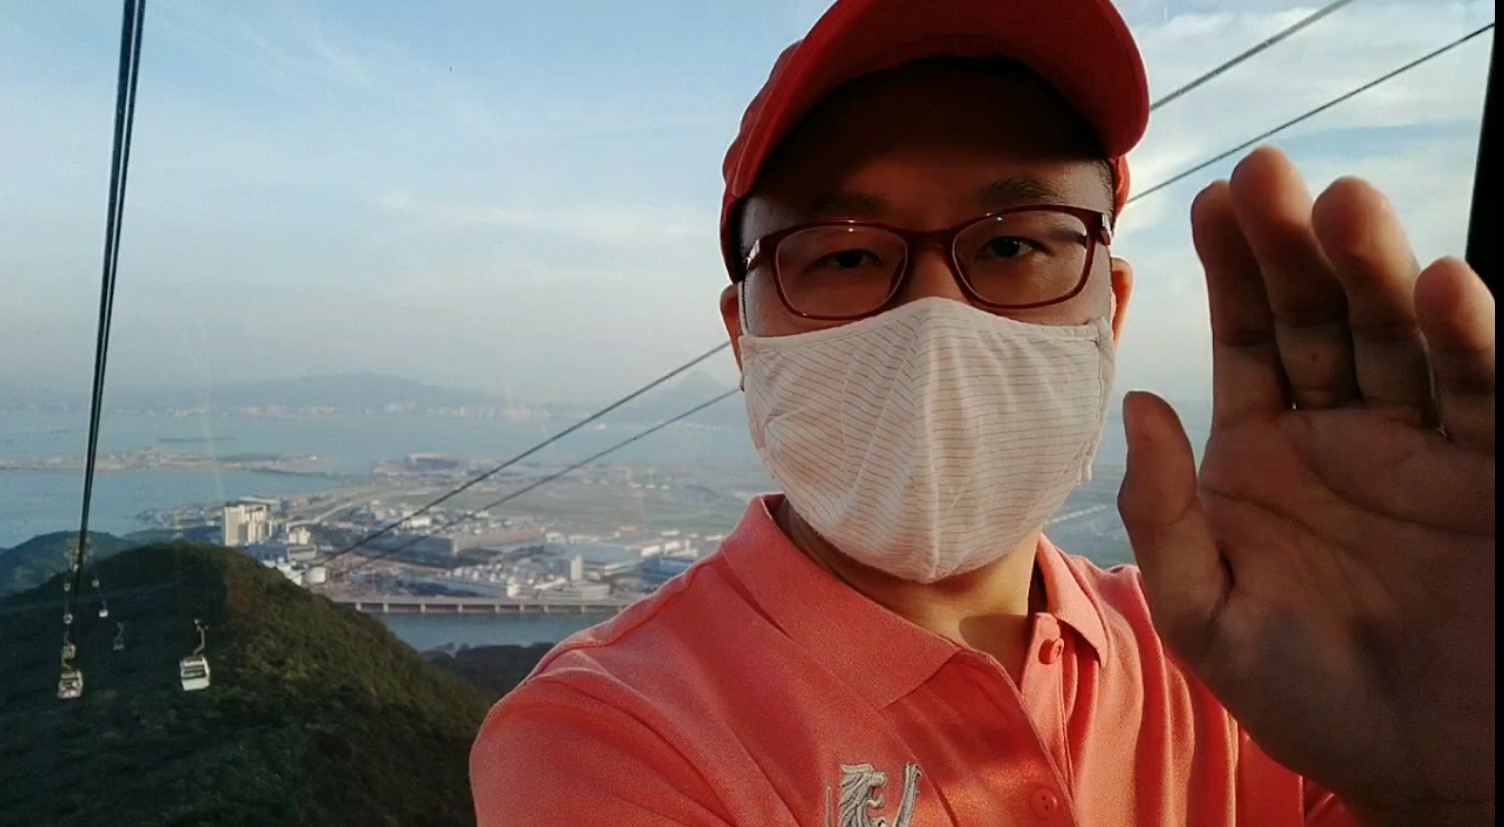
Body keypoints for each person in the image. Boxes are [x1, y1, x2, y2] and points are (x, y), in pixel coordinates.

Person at [470, 0, 1496, 824]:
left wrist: (1444, 788)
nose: (932, 316)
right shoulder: (608, 733)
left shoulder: (1256, 658)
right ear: (746, 337)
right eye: (841, 252)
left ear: (1111, 307)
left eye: (1013, 244)